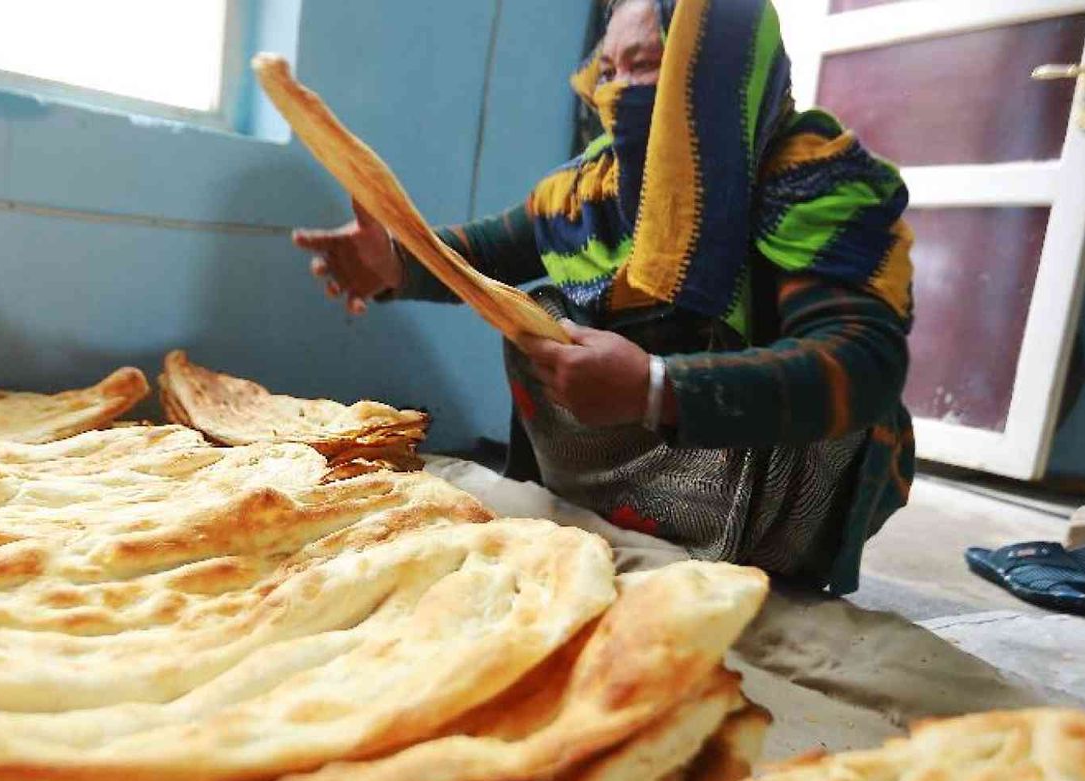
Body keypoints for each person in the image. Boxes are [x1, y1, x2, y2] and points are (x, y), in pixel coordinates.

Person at [290, 0, 916, 594]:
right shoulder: (590, 189)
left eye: (644, 65)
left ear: (717, 67)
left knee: (824, 407)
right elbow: (480, 255)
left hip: (764, 485)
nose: (616, 91)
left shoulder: (811, 178)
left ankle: (737, 557)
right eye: (608, 69)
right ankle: (616, 518)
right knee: (541, 313)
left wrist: (654, 388)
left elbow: (863, 363)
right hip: (621, 456)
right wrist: (394, 264)